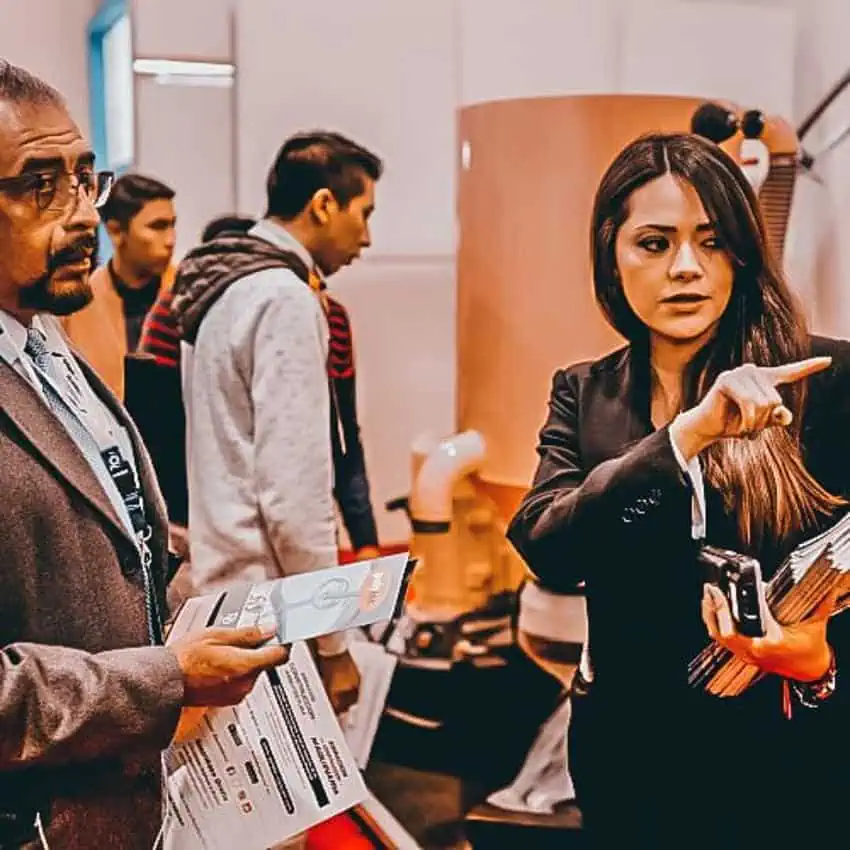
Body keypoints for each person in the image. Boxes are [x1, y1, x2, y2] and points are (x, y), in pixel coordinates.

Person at [507, 132, 850, 848]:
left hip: (791, 758)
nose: (686, 269)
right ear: (613, 257)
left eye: (712, 241)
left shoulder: (827, 382)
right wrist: (683, 439)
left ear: (743, 253)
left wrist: (818, 666)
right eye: (654, 244)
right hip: (630, 762)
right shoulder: (585, 393)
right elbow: (548, 549)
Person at [0, 60, 287, 849]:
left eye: (87, 180)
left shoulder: (45, 344)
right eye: (38, 186)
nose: (80, 215)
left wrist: (186, 584)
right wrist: (166, 679)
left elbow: (108, 536)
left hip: (120, 808)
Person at [170, 132, 381, 723]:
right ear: (322, 205)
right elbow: (294, 498)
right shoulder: (284, 297)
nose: (365, 238)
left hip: (221, 590)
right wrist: (335, 644)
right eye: (362, 214)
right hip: (272, 611)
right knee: (283, 814)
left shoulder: (224, 285)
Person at [63, 172, 177, 399]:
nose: (170, 239)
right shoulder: (77, 305)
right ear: (115, 231)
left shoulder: (187, 297)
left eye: (172, 225)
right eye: (157, 226)